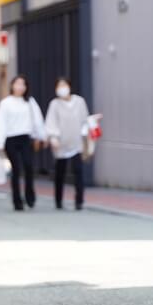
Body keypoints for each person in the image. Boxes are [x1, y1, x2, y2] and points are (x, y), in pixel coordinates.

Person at [0, 75, 46, 210]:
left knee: (28, 166)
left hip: (26, 138)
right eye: (17, 84)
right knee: (16, 168)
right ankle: (17, 200)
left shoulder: (30, 102)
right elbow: (0, 122)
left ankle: (29, 195)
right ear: (12, 86)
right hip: (10, 139)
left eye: (23, 84)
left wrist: (41, 136)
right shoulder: (5, 103)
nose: (20, 87)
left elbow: (37, 120)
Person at [44, 77, 93, 210]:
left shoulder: (79, 102)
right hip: (61, 143)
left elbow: (85, 120)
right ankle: (58, 200)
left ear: (70, 86)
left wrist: (87, 132)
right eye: (59, 86)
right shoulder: (54, 104)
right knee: (60, 172)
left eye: (64, 85)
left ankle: (79, 200)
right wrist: (53, 137)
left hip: (76, 142)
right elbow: (51, 122)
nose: (62, 88)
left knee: (78, 170)